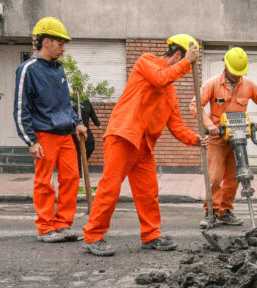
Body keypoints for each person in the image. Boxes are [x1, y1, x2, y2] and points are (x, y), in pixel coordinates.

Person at [82, 34, 209, 256]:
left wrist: (195, 139)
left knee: (148, 193)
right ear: (178, 55)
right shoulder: (147, 62)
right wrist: (187, 62)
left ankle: (151, 235)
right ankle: (93, 236)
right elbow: (160, 78)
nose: (187, 70)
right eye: (187, 63)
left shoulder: (171, 93)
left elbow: (176, 126)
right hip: (123, 136)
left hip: (144, 146)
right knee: (109, 189)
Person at [13, 17, 87, 244]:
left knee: (72, 179)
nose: (63, 47)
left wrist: (77, 123)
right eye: (60, 42)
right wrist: (30, 141)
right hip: (44, 135)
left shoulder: (59, 69)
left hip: (65, 135)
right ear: (46, 42)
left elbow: (66, 104)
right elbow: (20, 107)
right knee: (44, 182)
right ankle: (45, 227)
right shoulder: (28, 69)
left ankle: (62, 224)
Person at [189, 47, 257, 228]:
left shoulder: (249, 85)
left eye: (239, 73)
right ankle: (210, 211)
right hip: (217, 137)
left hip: (238, 137)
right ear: (226, 66)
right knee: (214, 177)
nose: (237, 76)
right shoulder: (212, 84)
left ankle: (224, 211)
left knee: (234, 178)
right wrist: (209, 125)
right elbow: (195, 104)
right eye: (234, 72)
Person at [70, 96, 99, 177]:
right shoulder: (71, 100)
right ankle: (79, 172)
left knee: (91, 145)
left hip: (85, 129)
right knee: (78, 151)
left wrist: (97, 123)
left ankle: (82, 164)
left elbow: (92, 112)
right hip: (74, 130)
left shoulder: (85, 100)